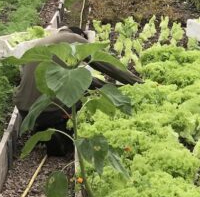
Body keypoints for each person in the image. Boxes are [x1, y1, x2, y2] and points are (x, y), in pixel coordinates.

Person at [14, 26, 142, 155]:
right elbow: (111, 67)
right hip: (53, 111)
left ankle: (43, 130)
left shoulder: (39, 44)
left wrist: (113, 87)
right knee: (89, 98)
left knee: (72, 89)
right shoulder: (74, 39)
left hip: (26, 111)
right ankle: (63, 134)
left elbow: (85, 81)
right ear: (81, 35)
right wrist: (137, 83)